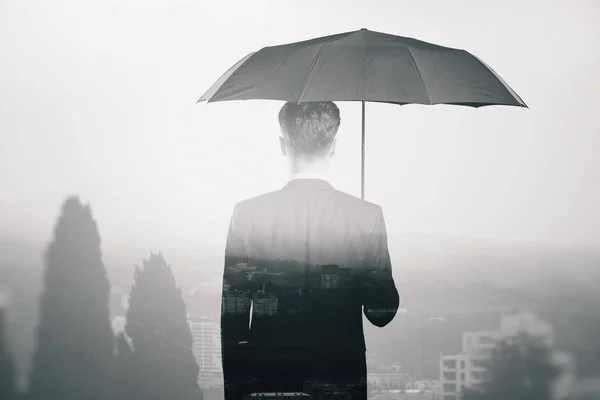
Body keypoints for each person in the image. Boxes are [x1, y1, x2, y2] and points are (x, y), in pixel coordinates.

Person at [220, 101, 399, 400]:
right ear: (334, 146)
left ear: (282, 144)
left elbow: (234, 318)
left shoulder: (247, 214)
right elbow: (381, 312)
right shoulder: (366, 216)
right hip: (340, 382)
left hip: (266, 383)